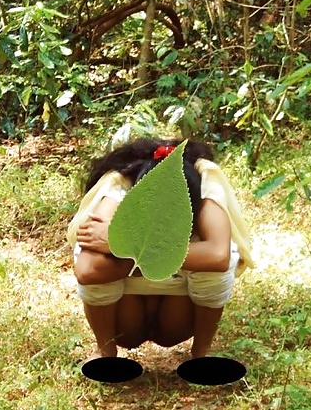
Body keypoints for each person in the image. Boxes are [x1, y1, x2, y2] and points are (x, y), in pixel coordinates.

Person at [67, 138, 253, 363]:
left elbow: (218, 256)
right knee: (95, 266)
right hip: (127, 321)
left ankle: (202, 353)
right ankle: (105, 352)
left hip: (177, 316)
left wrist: (129, 246)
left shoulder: (206, 191)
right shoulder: (117, 193)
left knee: (217, 268)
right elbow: (87, 271)